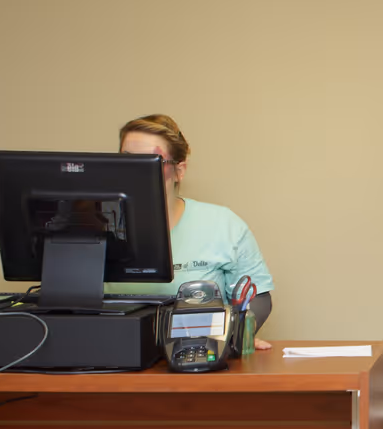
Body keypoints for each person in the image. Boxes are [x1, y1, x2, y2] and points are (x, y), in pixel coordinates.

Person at [112, 114, 275, 341]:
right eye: (128, 160)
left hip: (195, 358)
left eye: (151, 162)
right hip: (113, 357)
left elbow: (259, 299)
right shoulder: (98, 227)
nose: (136, 172)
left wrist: (236, 336)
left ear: (179, 170)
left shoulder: (222, 224)